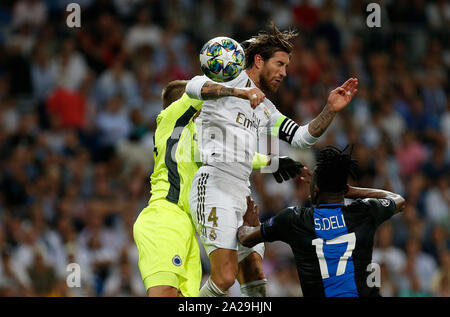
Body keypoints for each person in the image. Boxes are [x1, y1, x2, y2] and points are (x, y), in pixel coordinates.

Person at [185, 23, 358, 297]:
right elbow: (193, 87)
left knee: (256, 281)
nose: (284, 73)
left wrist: (329, 109)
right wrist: (241, 92)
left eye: (287, 67)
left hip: (242, 193)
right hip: (214, 181)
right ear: (258, 60)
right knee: (224, 278)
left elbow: (301, 137)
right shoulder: (229, 77)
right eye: (279, 64)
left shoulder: (266, 108)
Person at [133, 80, 307, 297]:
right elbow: (202, 90)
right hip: (165, 215)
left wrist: (273, 162)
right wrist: (243, 91)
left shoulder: (200, 142)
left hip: (188, 227)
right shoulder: (170, 119)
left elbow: (232, 155)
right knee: (165, 293)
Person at [238, 146, 406, 297]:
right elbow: (398, 200)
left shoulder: (294, 219)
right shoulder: (365, 212)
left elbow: (245, 237)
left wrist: (248, 226)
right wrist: (349, 190)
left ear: (316, 189)